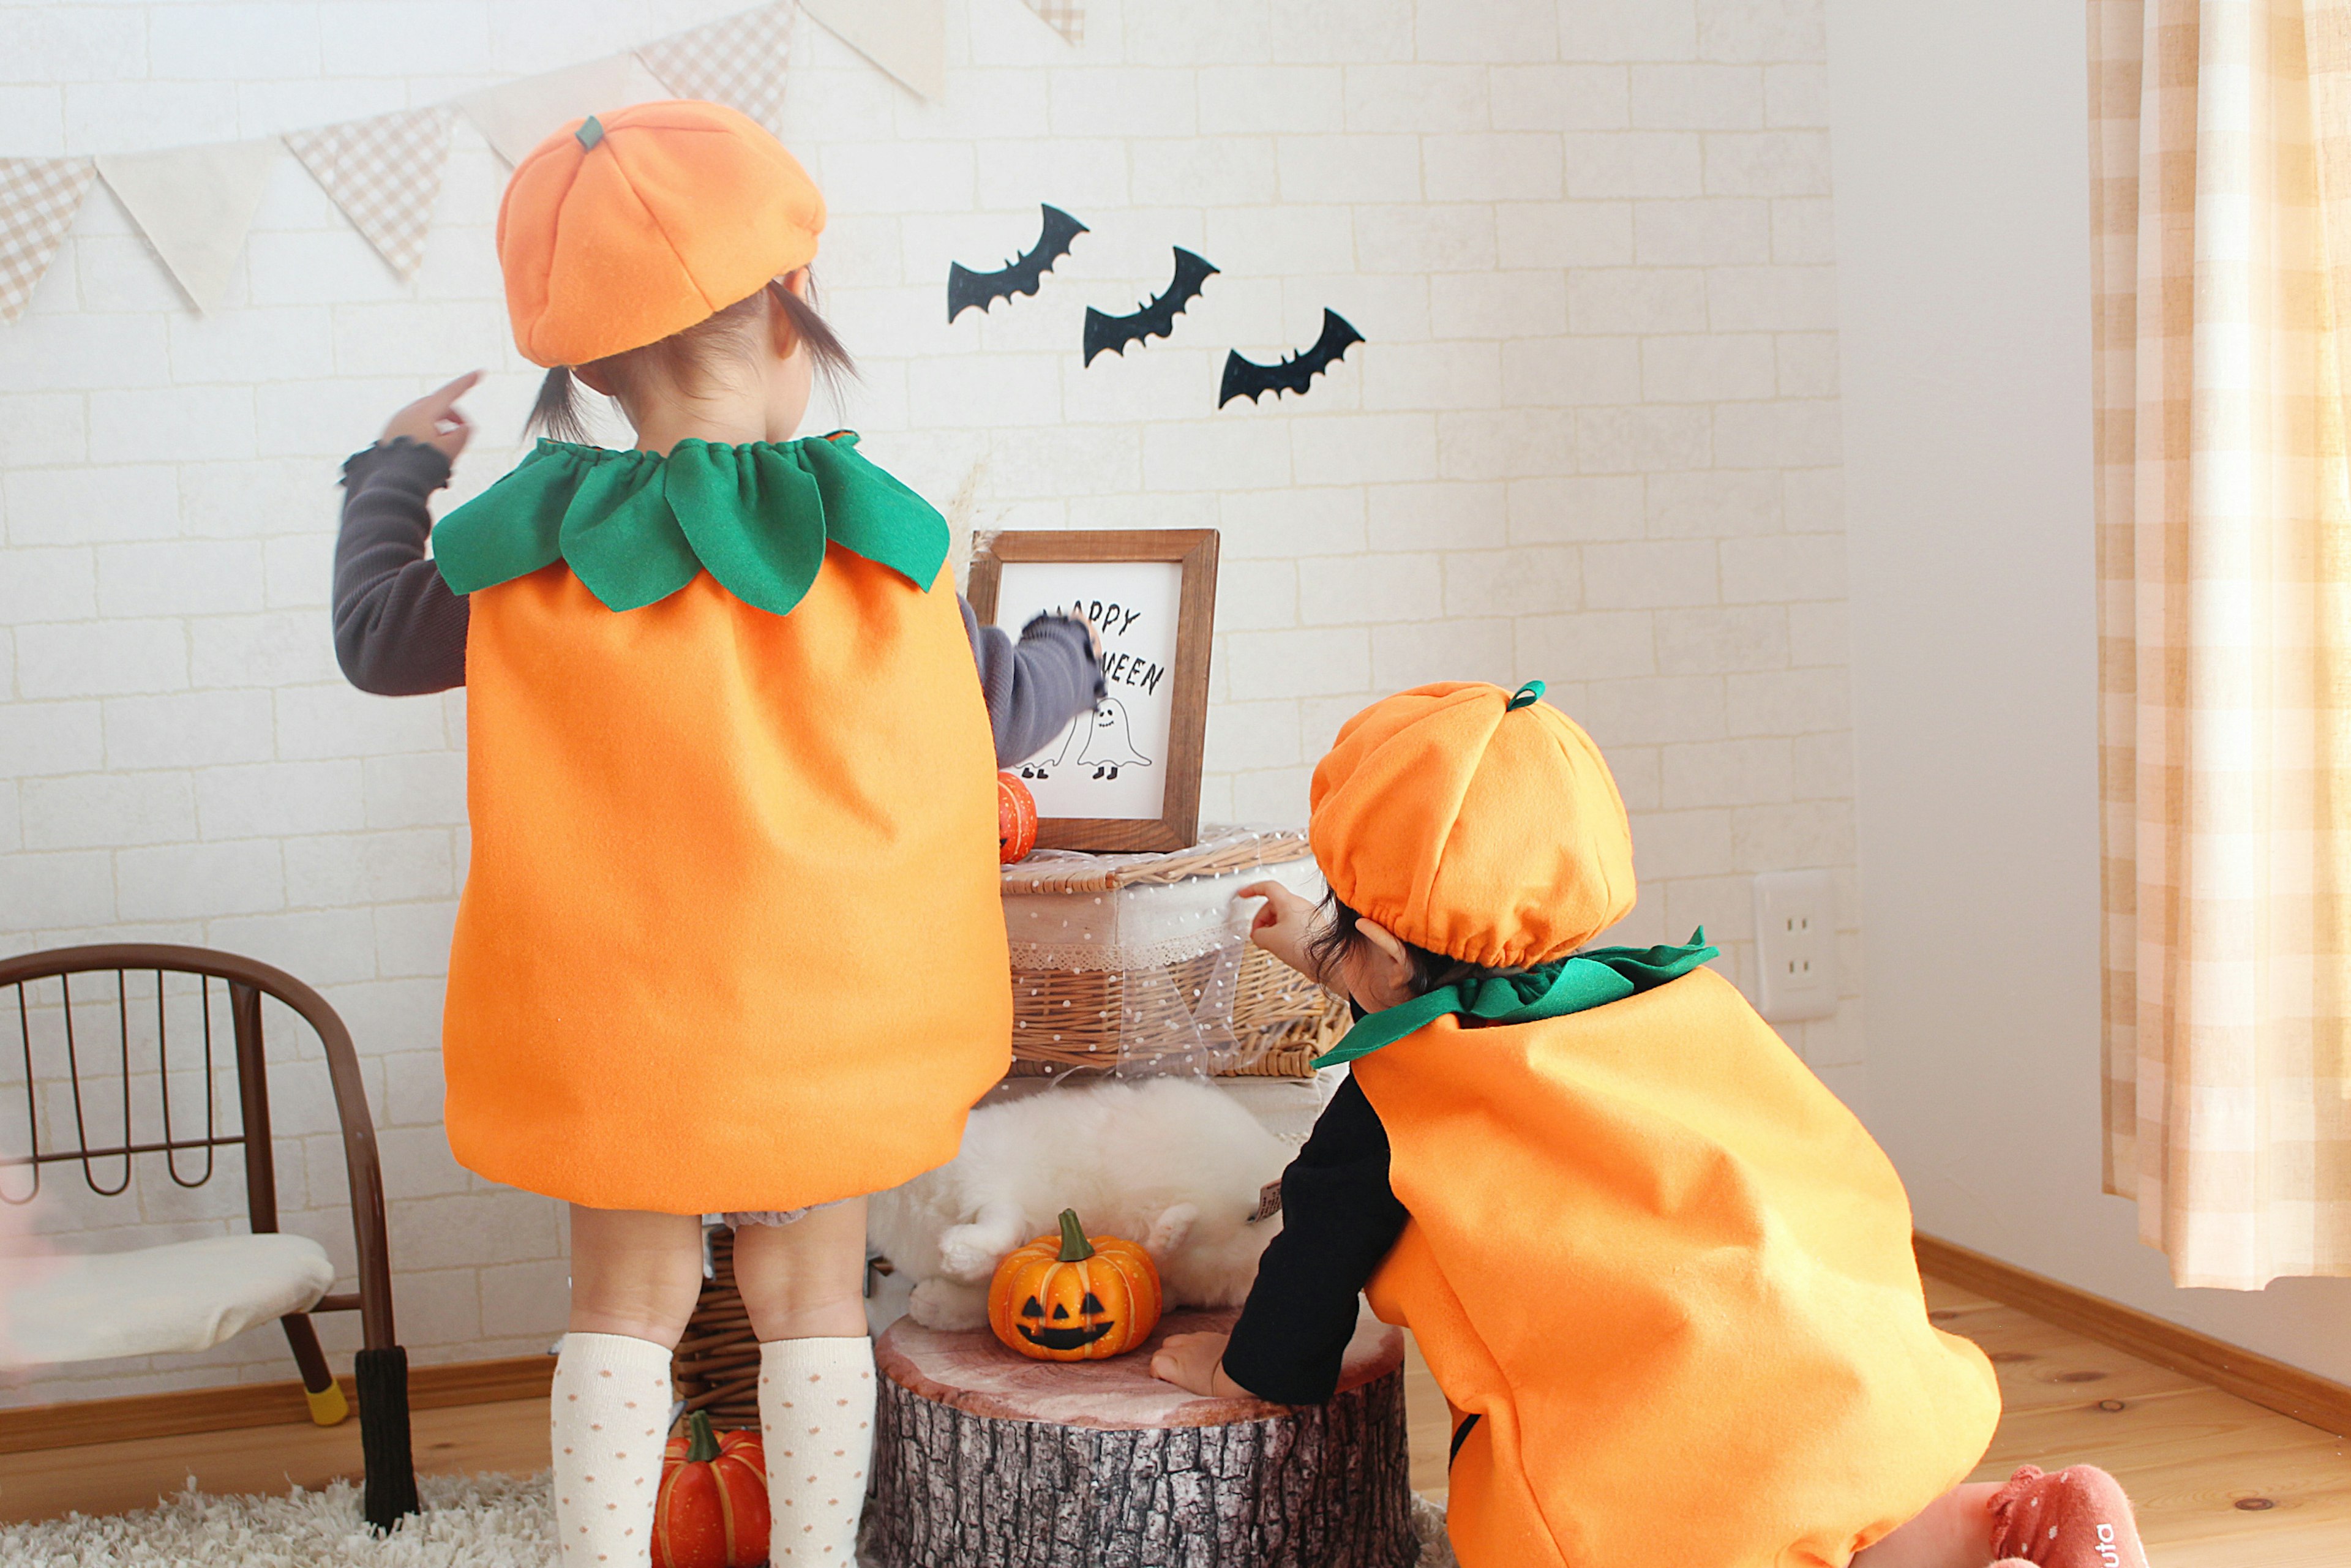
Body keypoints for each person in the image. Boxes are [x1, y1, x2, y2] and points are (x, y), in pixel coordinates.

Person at [328, 100, 1100, 1564]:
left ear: (591, 373)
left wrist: (391, 468)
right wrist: (1074, 643)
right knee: (811, 1302)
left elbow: (372, 634)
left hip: (616, 1021)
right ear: (796, 322)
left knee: (623, 1307)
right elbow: (997, 710)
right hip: (818, 1017)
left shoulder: (524, 548)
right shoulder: (875, 540)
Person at [1152, 680, 2150, 1568]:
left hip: (1678, 1482)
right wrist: (1341, 963)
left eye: (1341, 922)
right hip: (1854, 1382)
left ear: (1371, 939)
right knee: (1878, 1518)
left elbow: (1310, 1281)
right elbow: (1455, 995)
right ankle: (2014, 1526)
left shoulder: (1394, 1106)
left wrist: (1242, 1371)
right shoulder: (1660, 1003)